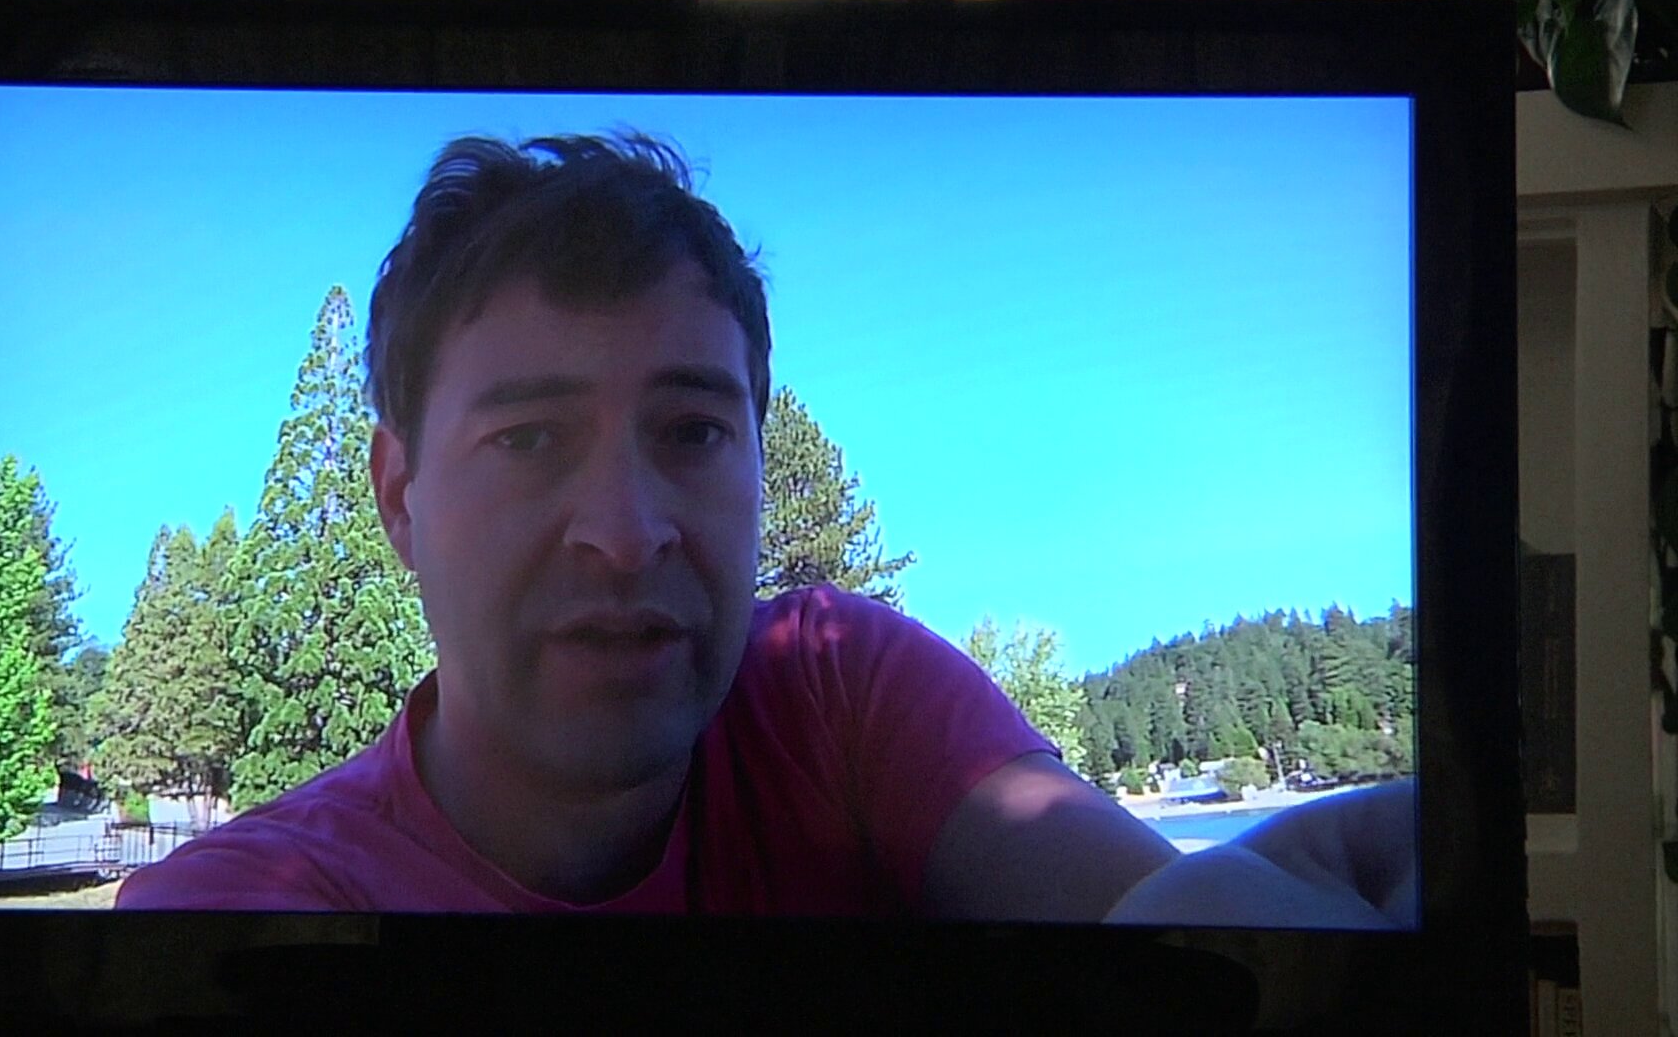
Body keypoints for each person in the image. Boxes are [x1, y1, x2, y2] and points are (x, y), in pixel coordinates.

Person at [116, 132, 1413, 925]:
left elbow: (1148, 930)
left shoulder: (834, 692)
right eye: (529, 439)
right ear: (399, 497)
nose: (626, 533)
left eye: (690, 432)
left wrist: (1233, 943)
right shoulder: (235, 918)